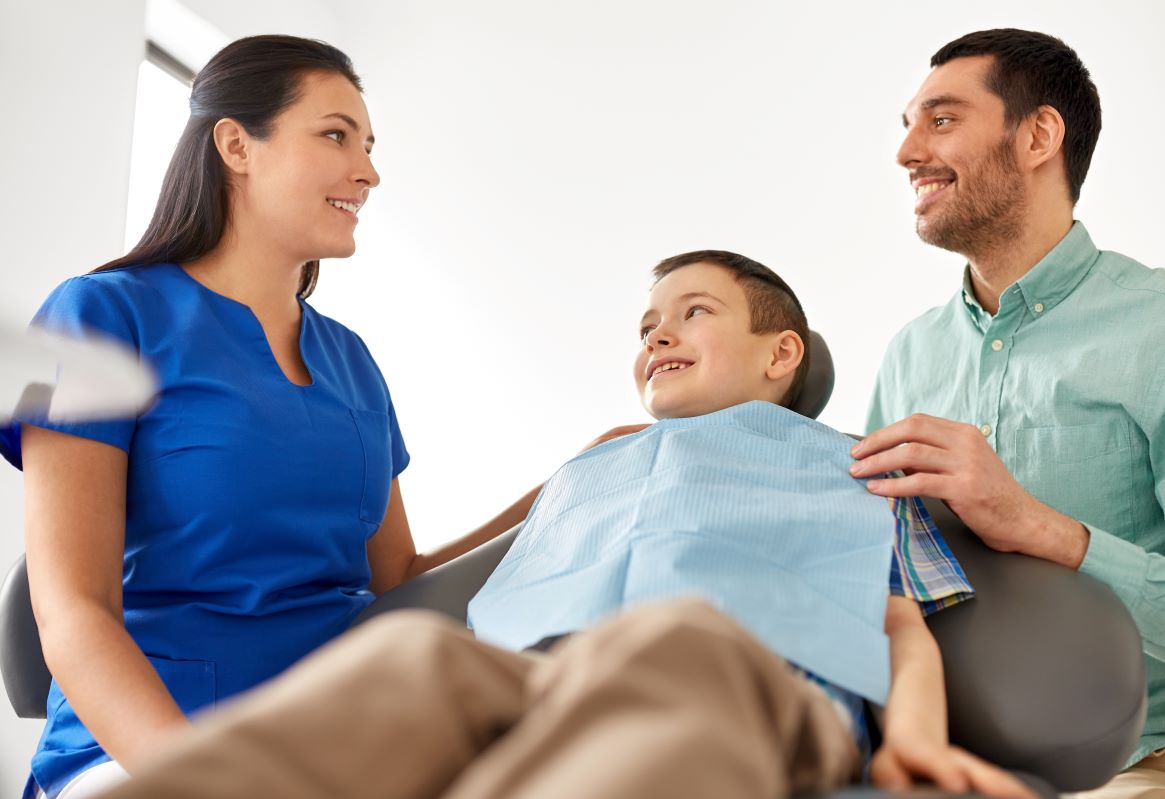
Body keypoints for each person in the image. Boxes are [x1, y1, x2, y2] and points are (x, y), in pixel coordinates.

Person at [96, 251, 1033, 799]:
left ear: (779, 353)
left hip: (747, 675)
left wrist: (914, 734)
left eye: (691, 313)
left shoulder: (858, 464)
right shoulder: (598, 463)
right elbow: (455, 571)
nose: (655, 336)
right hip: (540, 667)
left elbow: (900, 618)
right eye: (645, 325)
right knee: (413, 661)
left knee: (676, 642)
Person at [0, 35, 622, 799]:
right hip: (157, 745)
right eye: (335, 135)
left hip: (342, 738)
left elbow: (398, 578)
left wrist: (581, 478)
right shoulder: (98, 315)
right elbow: (72, 609)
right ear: (236, 144)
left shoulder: (351, 358)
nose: (367, 171)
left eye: (368, 145)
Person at [856, 29, 1165, 798]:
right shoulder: (908, 356)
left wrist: (1039, 527)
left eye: (940, 120)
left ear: (1037, 135)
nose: (905, 154)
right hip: (936, 765)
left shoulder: (1156, 328)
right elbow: (869, 573)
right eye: (906, 125)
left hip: (1133, 767)